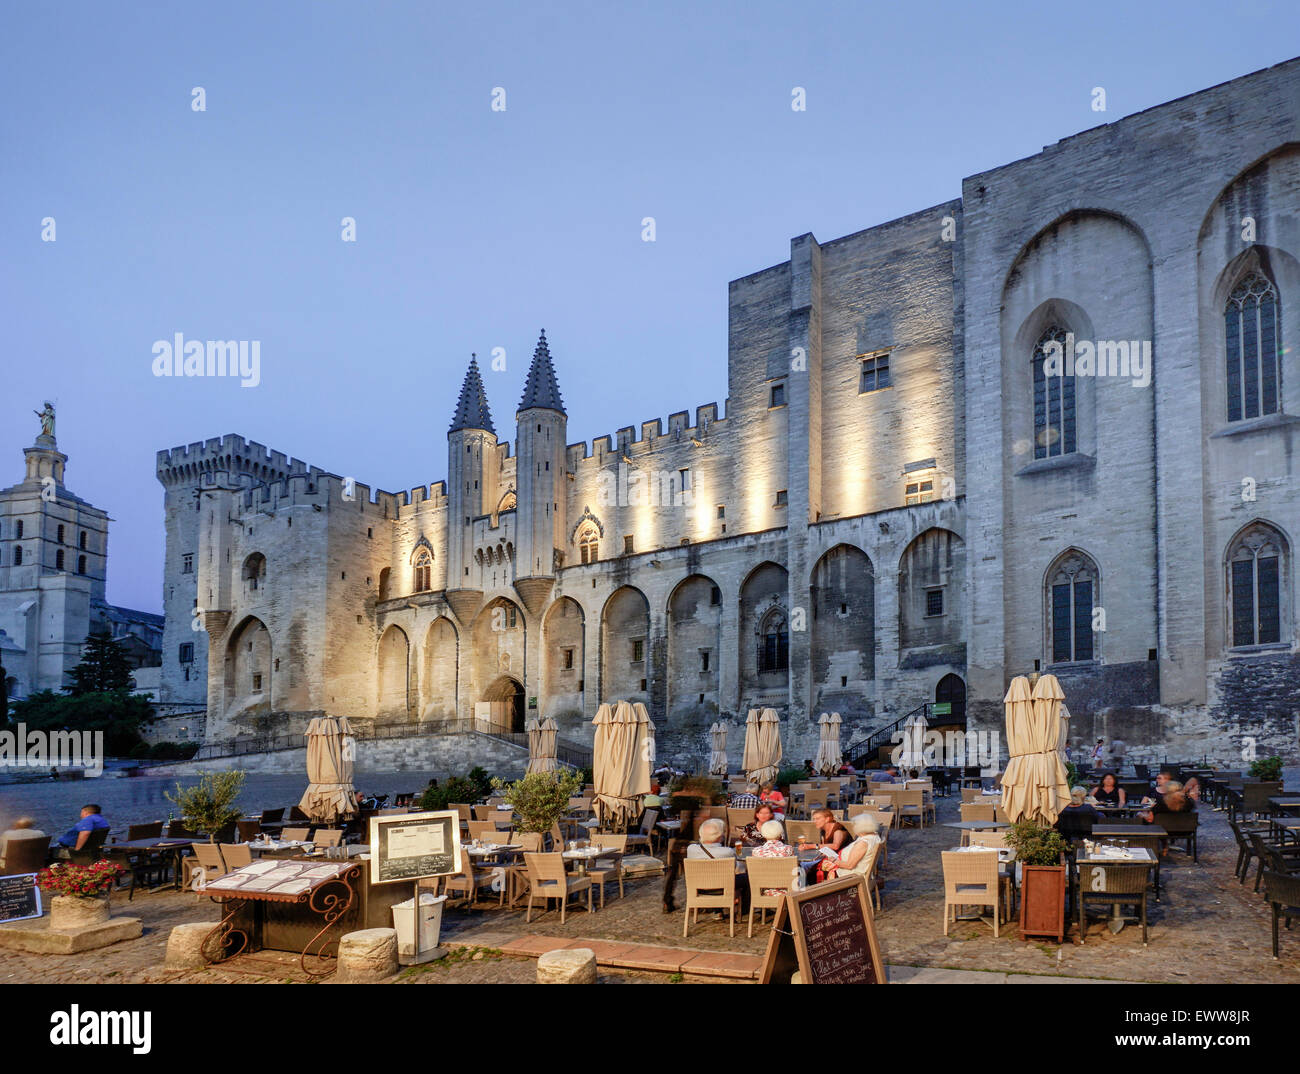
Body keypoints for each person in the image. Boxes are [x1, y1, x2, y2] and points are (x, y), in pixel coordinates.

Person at [820, 813, 882, 884]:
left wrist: (833, 860)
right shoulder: (874, 836)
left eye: (855, 825)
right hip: (858, 871)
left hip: (852, 875)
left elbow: (849, 866)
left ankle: (816, 893)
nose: (853, 827)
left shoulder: (863, 843)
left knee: (816, 871)